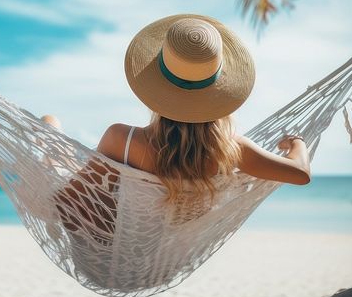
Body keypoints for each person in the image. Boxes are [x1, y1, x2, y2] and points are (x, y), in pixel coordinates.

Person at [52, 14, 310, 241]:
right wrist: (295, 141)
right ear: (218, 92)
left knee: (50, 127)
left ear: (156, 88)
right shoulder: (232, 150)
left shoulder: (122, 139)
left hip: (109, 253)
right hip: (158, 264)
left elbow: (70, 206)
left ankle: (51, 140)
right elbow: (301, 173)